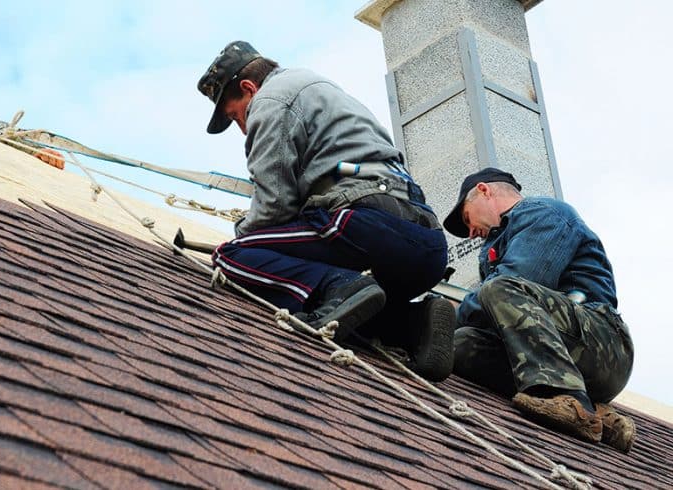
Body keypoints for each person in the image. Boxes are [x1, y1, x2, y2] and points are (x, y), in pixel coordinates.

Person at [197, 41, 455, 381]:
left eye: (235, 115)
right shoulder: (319, 89)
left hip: (363, 220)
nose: (242, 129)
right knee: (348, 310)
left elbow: (273, 206)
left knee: (233, 257)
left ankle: (341, 286)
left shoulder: (271, 100)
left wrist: (245, 239)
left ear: (249, 88)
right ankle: (413, 324)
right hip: (425, 243)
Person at [444, 167, 636, 452]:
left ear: (484, 190)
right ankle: (596, 413)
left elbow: (521, 279)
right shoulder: (499, 242)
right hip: (562, 350)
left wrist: (449, 313)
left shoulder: (543, 213)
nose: (471, 233)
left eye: (467, 218)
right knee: (460, 345)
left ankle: (566, 397)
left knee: (497, 289)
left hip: (604, 345)